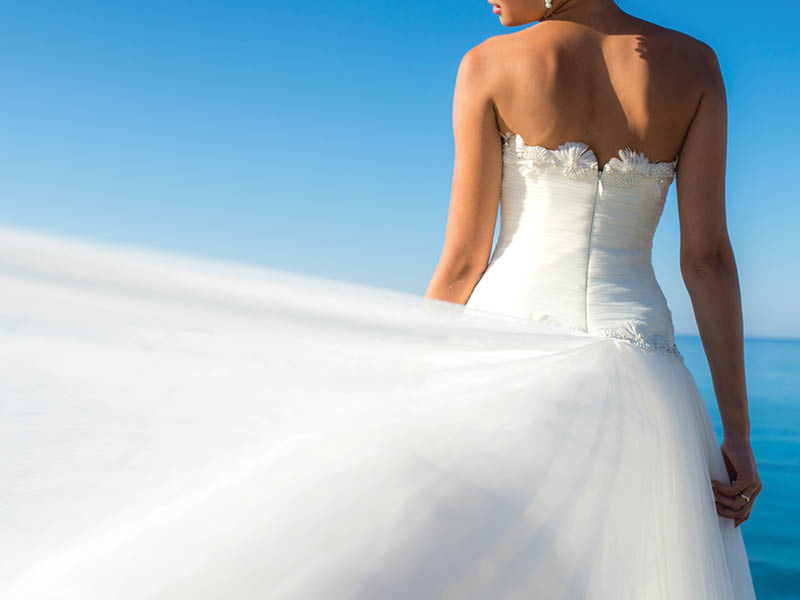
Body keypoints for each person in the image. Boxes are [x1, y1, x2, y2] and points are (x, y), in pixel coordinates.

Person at [0, 0, 760, 598]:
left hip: (508, 359)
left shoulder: (489, 66)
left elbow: (463, 260)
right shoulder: (696, 67)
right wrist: (736, 436)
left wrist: (409, 390)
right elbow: (707, 261)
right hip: (650, 374)